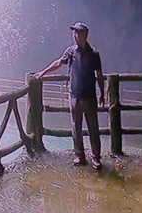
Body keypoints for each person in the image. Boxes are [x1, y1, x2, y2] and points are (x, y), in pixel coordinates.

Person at [33, 22, 105, 169]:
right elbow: (58, 62)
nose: (75, 36)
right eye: (74, 33)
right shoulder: (70, 51)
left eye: (78, 33)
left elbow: (99, 75)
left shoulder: (94, 54)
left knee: (93, 127)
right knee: (76, 127)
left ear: (85, 35)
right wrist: (43, 72)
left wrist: (102, 93)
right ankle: (79, 155)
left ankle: (96, 157)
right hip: (74, 96)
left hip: (90, 96)